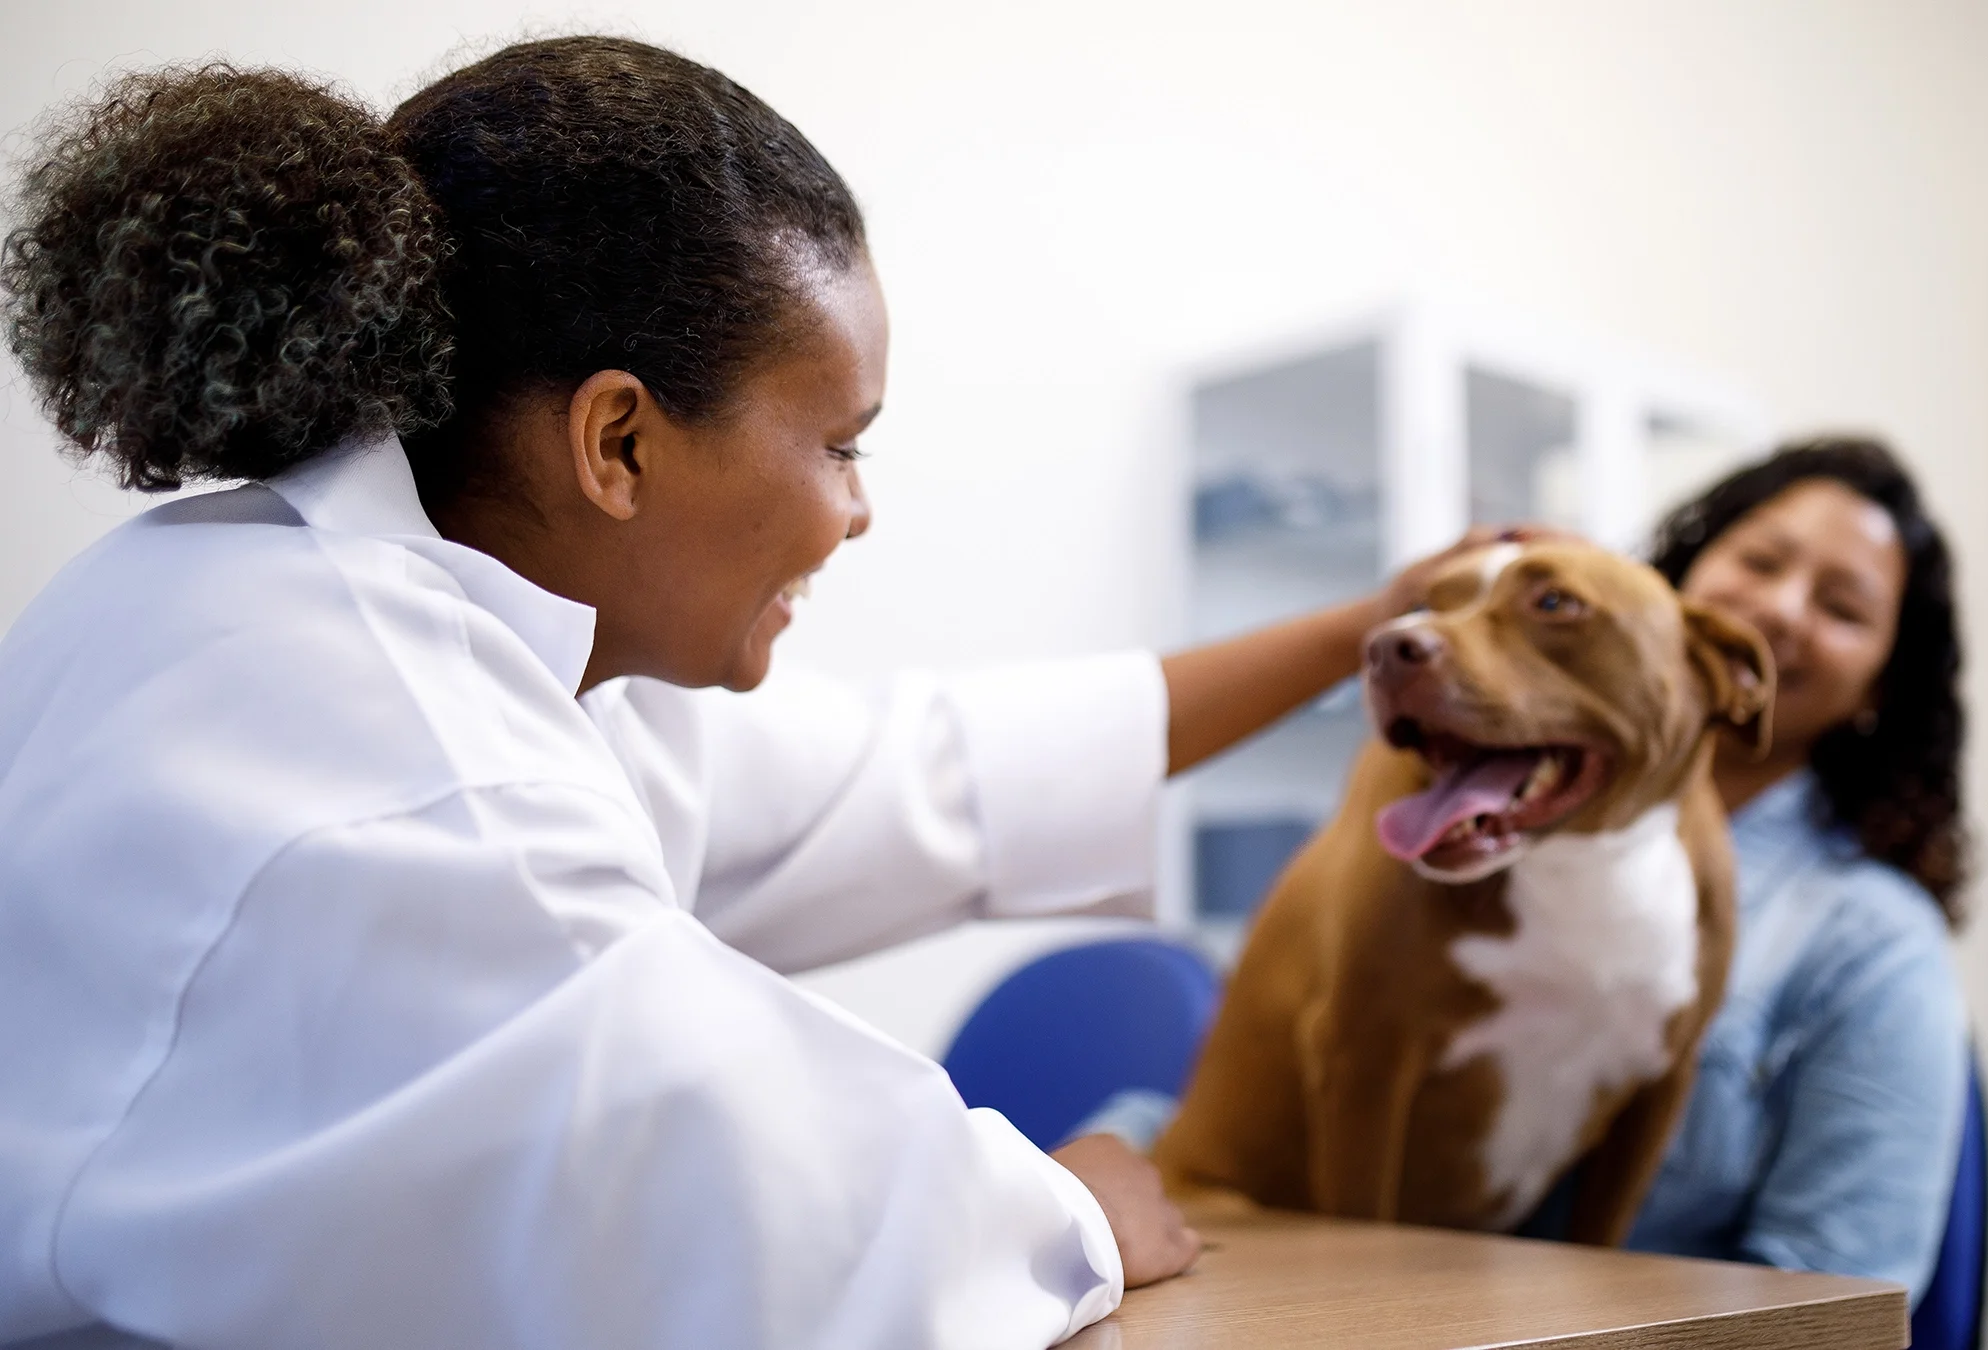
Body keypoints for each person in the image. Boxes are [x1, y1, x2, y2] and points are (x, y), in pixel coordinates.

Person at [0, 42, 1499, 1349]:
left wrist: (1363, 630)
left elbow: (930, 773)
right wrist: (1071, 1210)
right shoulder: (421, 766)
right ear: (621, 445)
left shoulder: (344, 611)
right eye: (843, 441)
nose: (858, 511)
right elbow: (782, 1237)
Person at [1621, 437, 1972, 1304]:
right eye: (1760, 559)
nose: (1778, 610)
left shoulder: (1875, 943)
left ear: (1878, 690)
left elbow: (1828, 1310)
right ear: (1681, 573)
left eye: (1843, 609)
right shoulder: (1513, 833)